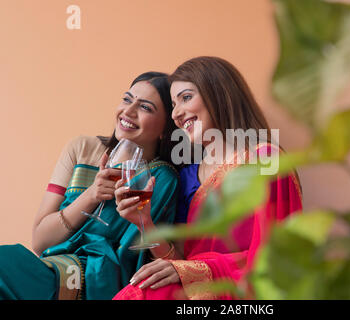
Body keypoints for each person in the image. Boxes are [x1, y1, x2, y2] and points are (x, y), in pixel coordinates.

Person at [113, 57, 302, 300]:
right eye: (173, 105)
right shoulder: (188, 175)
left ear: (219, 94)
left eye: (186, 97)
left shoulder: (265, 159)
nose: (177, 114)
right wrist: (144, 222)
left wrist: (204, 270)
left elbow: (276, 257)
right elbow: (179, 264)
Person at [0, 72, 179, 300]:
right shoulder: (83, 149)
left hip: (100, 283)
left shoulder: (161, 178)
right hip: (51, 269)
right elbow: (40, 241)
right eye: (127, 99)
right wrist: (92, 195)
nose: (129, 111)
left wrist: (141, 220)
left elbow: (151, 261)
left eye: (145, 107)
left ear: (166, 128)